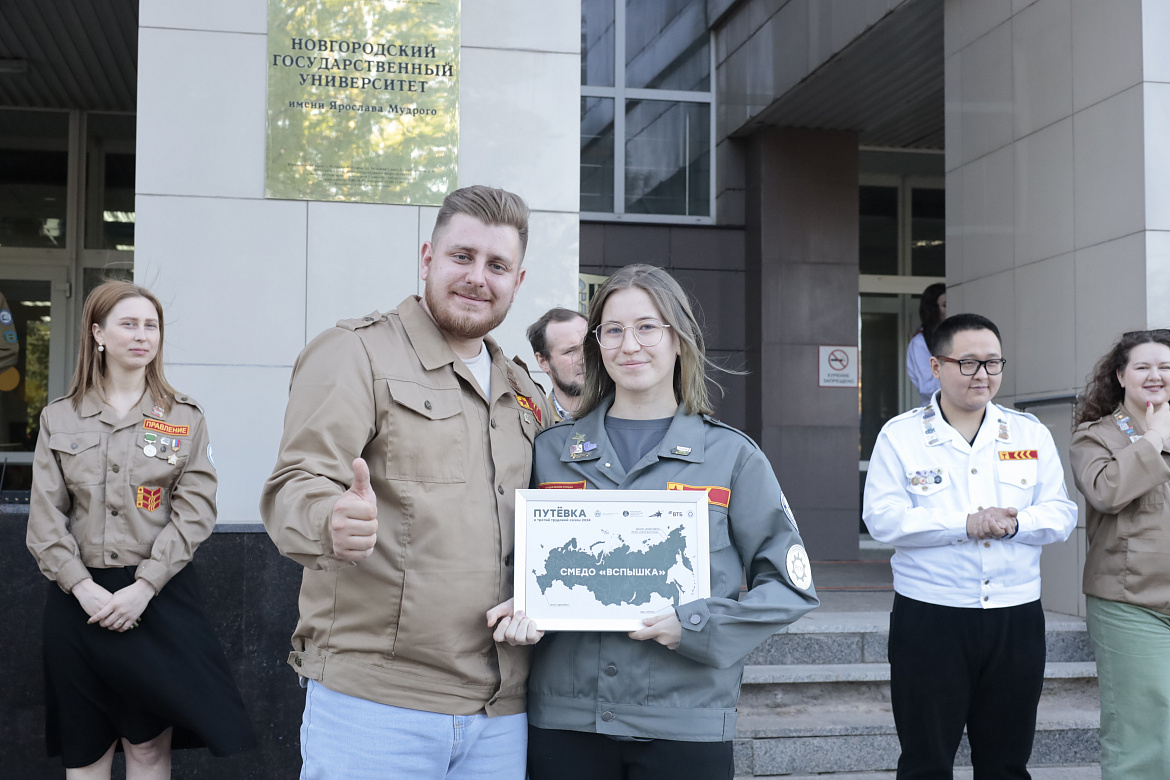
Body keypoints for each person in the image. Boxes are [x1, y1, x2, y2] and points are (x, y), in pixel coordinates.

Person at [260, 185, 551, 780]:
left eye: (497, 265)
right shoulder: (356, 353)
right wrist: (329, 520)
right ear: (427, 258)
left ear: (518, 281)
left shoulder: (523, 389)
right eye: (462, 256)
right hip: (377, 708)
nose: (477, 277)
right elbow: (295, 482)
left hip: (501, 712)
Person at [494, 264, 818, 780]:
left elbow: (790, 587)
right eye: (613, 330)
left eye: (647, 327)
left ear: (679, 339)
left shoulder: (733, 457)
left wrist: (700, 624)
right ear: (597, 344)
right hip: (566, 721)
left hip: (685, 721)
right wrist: (520, 605)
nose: (630, 345)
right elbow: (512, 562)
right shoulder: (549, 451)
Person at [26, 281, 255, 778]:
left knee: (148, 749)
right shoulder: (59, 418)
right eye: (128, 324)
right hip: (78, 601)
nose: (142, 335)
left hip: (157, 599)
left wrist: (144, 587)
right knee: (86, 753)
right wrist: (81, 587)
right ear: (97, 333)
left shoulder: (183, 417)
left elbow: (195, 511)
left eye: (151, 325)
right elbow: (44, 517)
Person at [863, 312, 1077, 779]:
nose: (983, 374)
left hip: (1015, 616)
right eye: (968, 363)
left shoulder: (1029, 432)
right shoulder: (901, 435)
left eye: (993, 363)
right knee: (925, 761)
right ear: (936, 366)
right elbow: (882, 518)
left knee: (1006, 762)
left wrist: (1016, 524)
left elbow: (1061, 513)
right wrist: (965, 524)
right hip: (931, 616)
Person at [1069, 329, 1170, 779]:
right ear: (1120, 376)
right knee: (1141, 730)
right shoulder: (1096, 436)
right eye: (1143, 366)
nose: (1156, 375)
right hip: (1131, 602)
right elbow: (1106, 491)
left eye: (1165, 367)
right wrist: (1153, 439)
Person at [526, 307, 588, 421]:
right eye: (570, 351)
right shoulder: (537, 426)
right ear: (543, 361)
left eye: (589, 347)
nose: (584, 360)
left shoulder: (621, 414)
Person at [907, 282, 946, 406]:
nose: (949, 310)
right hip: (936, 409)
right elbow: (928, 387)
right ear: (933, 309)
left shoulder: (956, 336)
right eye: (945, 305)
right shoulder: (919, 342)